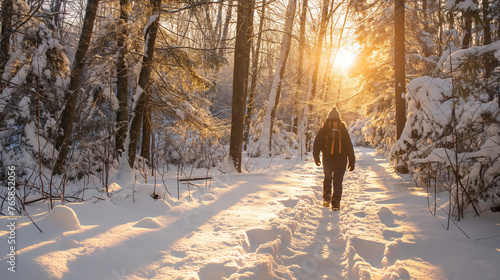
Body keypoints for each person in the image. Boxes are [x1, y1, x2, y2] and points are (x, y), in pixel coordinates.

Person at [313, 107, 355, 210]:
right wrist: (352, 161)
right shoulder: (342, 129)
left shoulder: (324, 129)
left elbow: (317, 144)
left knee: (327, 179)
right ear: (339, 118)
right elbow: (348, 146)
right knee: (338, 182)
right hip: (341, 160)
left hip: (327, 160)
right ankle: (336, 204)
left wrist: (316, 157)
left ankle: (326, 200)